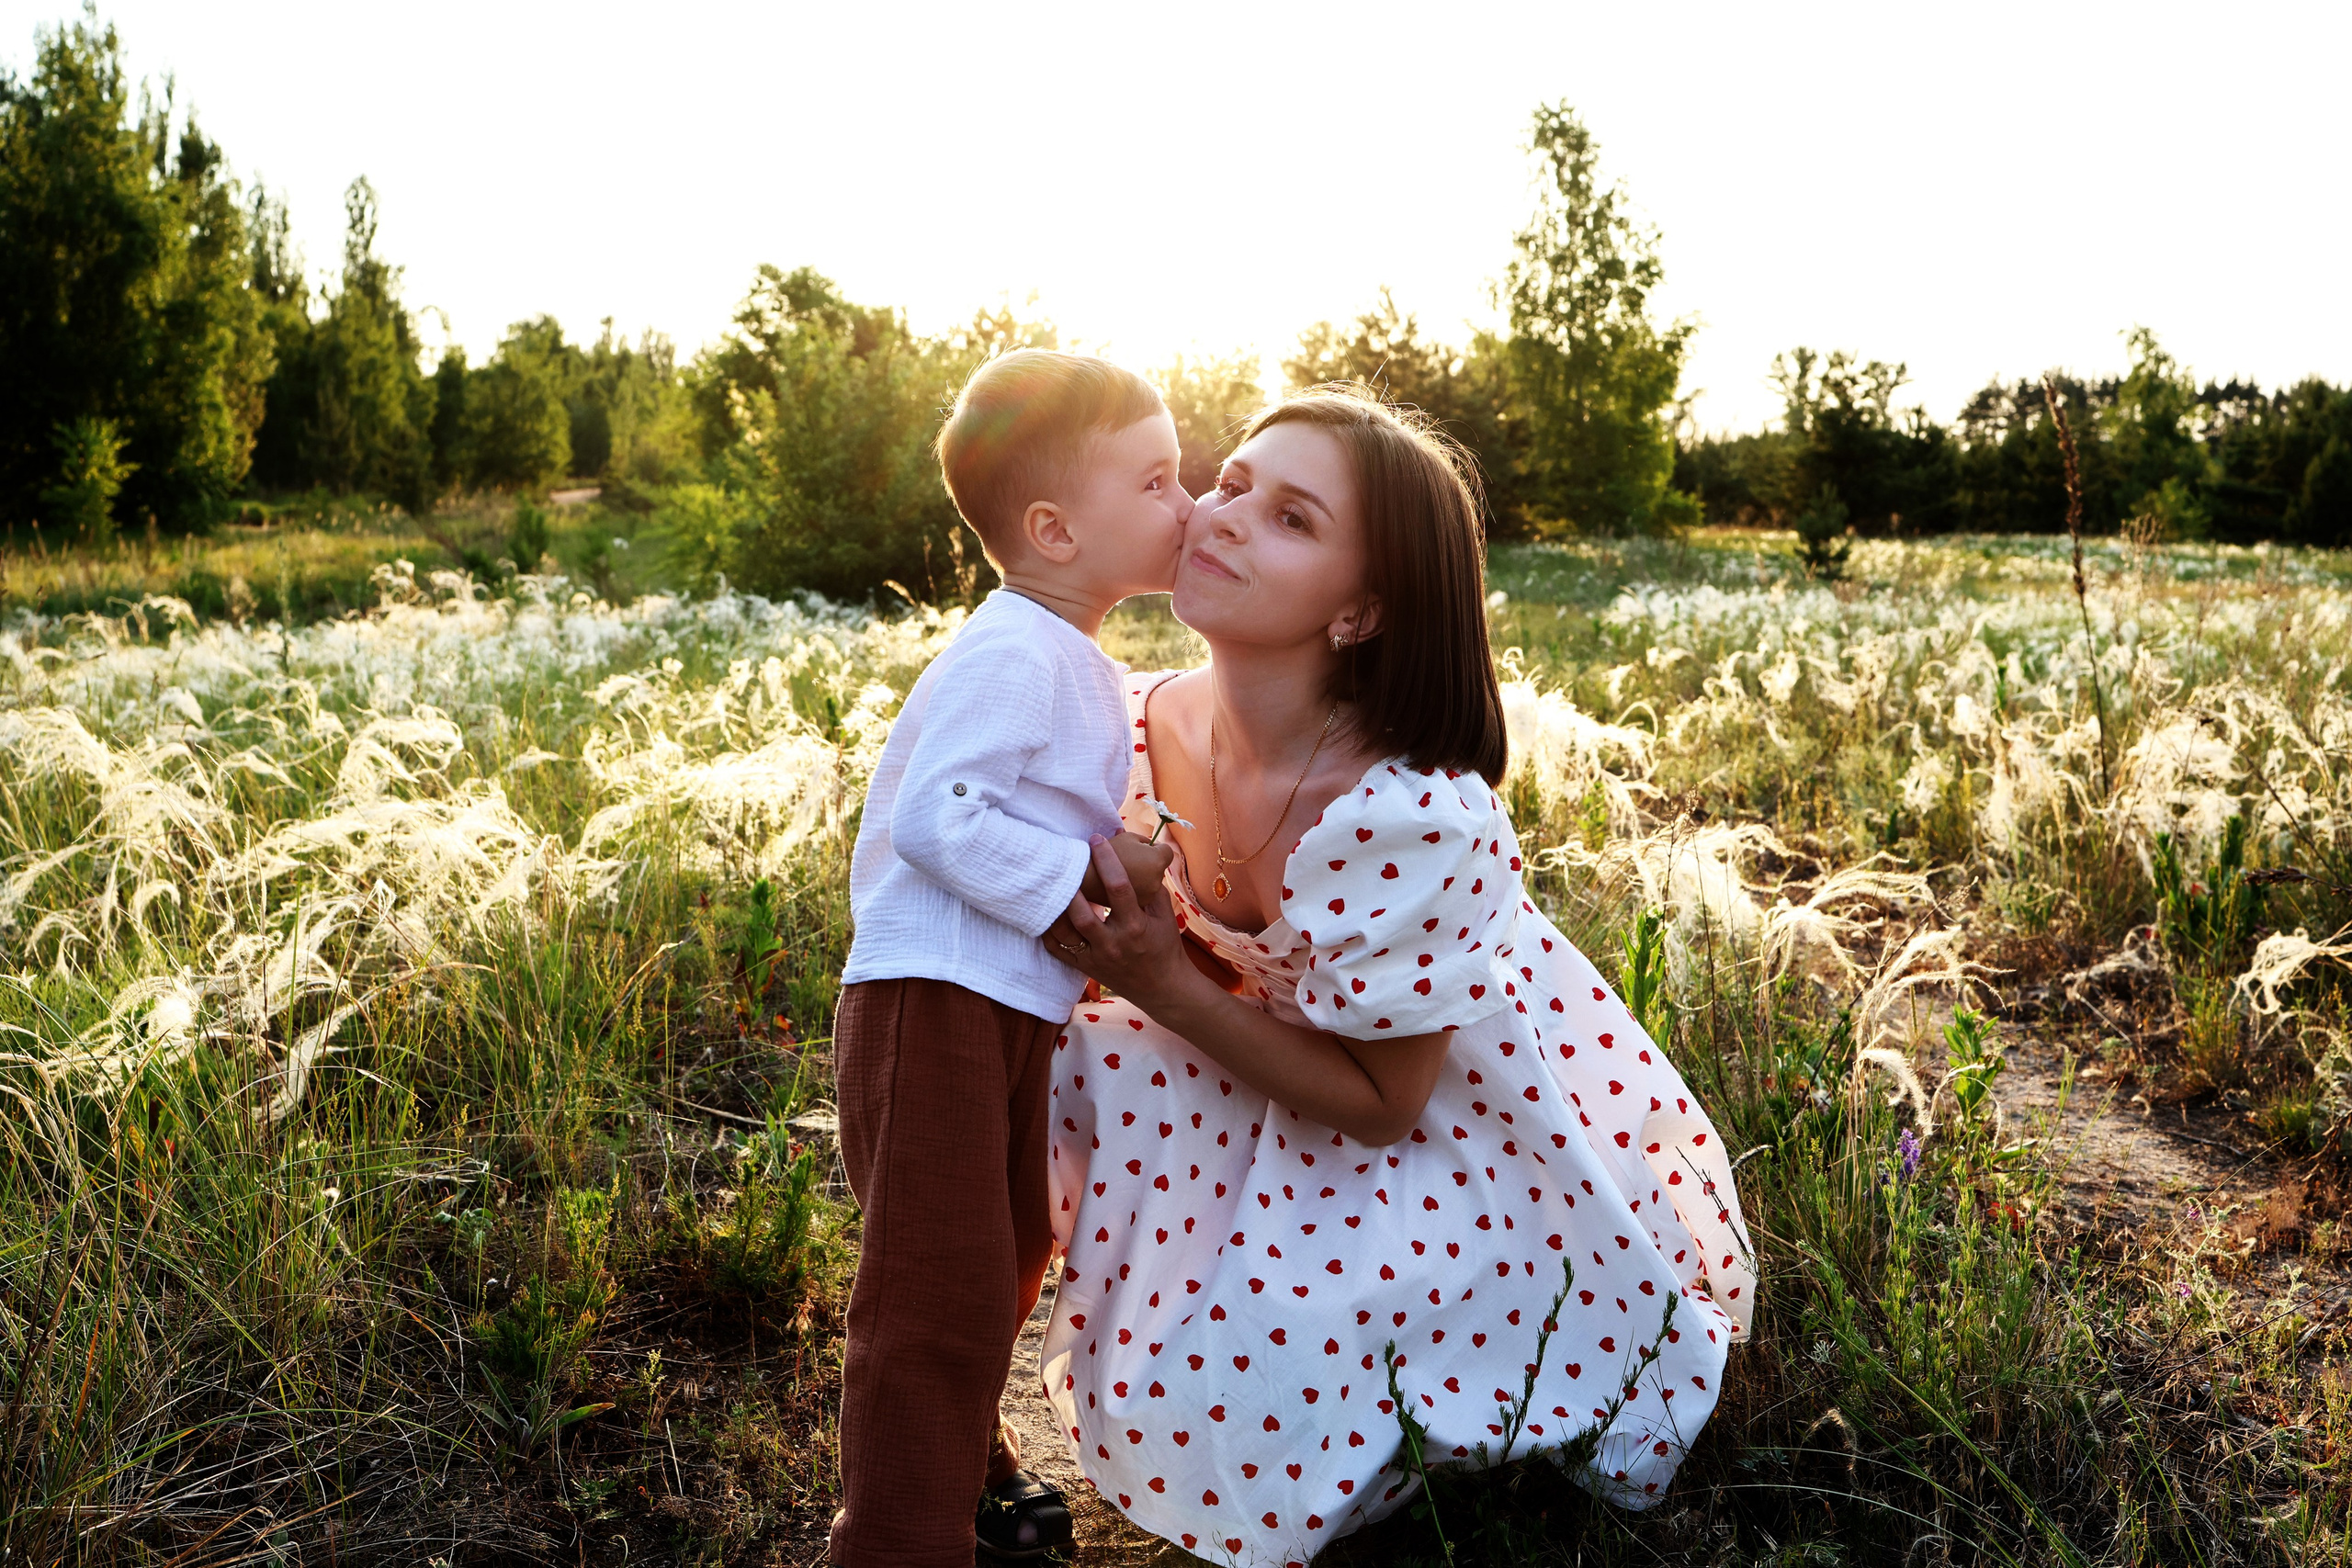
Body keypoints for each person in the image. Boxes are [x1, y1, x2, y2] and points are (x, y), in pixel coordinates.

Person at [1037, 387, 1757, 1566]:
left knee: (1260, 1387)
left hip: (1439, 1136)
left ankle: (1466, 1360)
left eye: (1290, 519)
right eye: (1231, 484)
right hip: (1234, 1046)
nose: (1220, 517)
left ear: (1362, 612)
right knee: (1058, 1051)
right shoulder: (1119, 718)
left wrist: (1166, 982)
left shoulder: (1410, 814)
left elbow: (1385, 1105)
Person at [832, 350, 1186, 1567]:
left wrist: (1116, 856)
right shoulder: (1016, 649)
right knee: (933, 1282)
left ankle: (969, 1478)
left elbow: (1019, 809)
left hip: (998, 1000)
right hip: (933, 996)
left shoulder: (1070, 651)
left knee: (1002, 1252)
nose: (1187, 506)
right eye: (1157, 480)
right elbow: (939, 816)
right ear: (1052, 526)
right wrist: (1083, 886)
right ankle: (895, 1539)